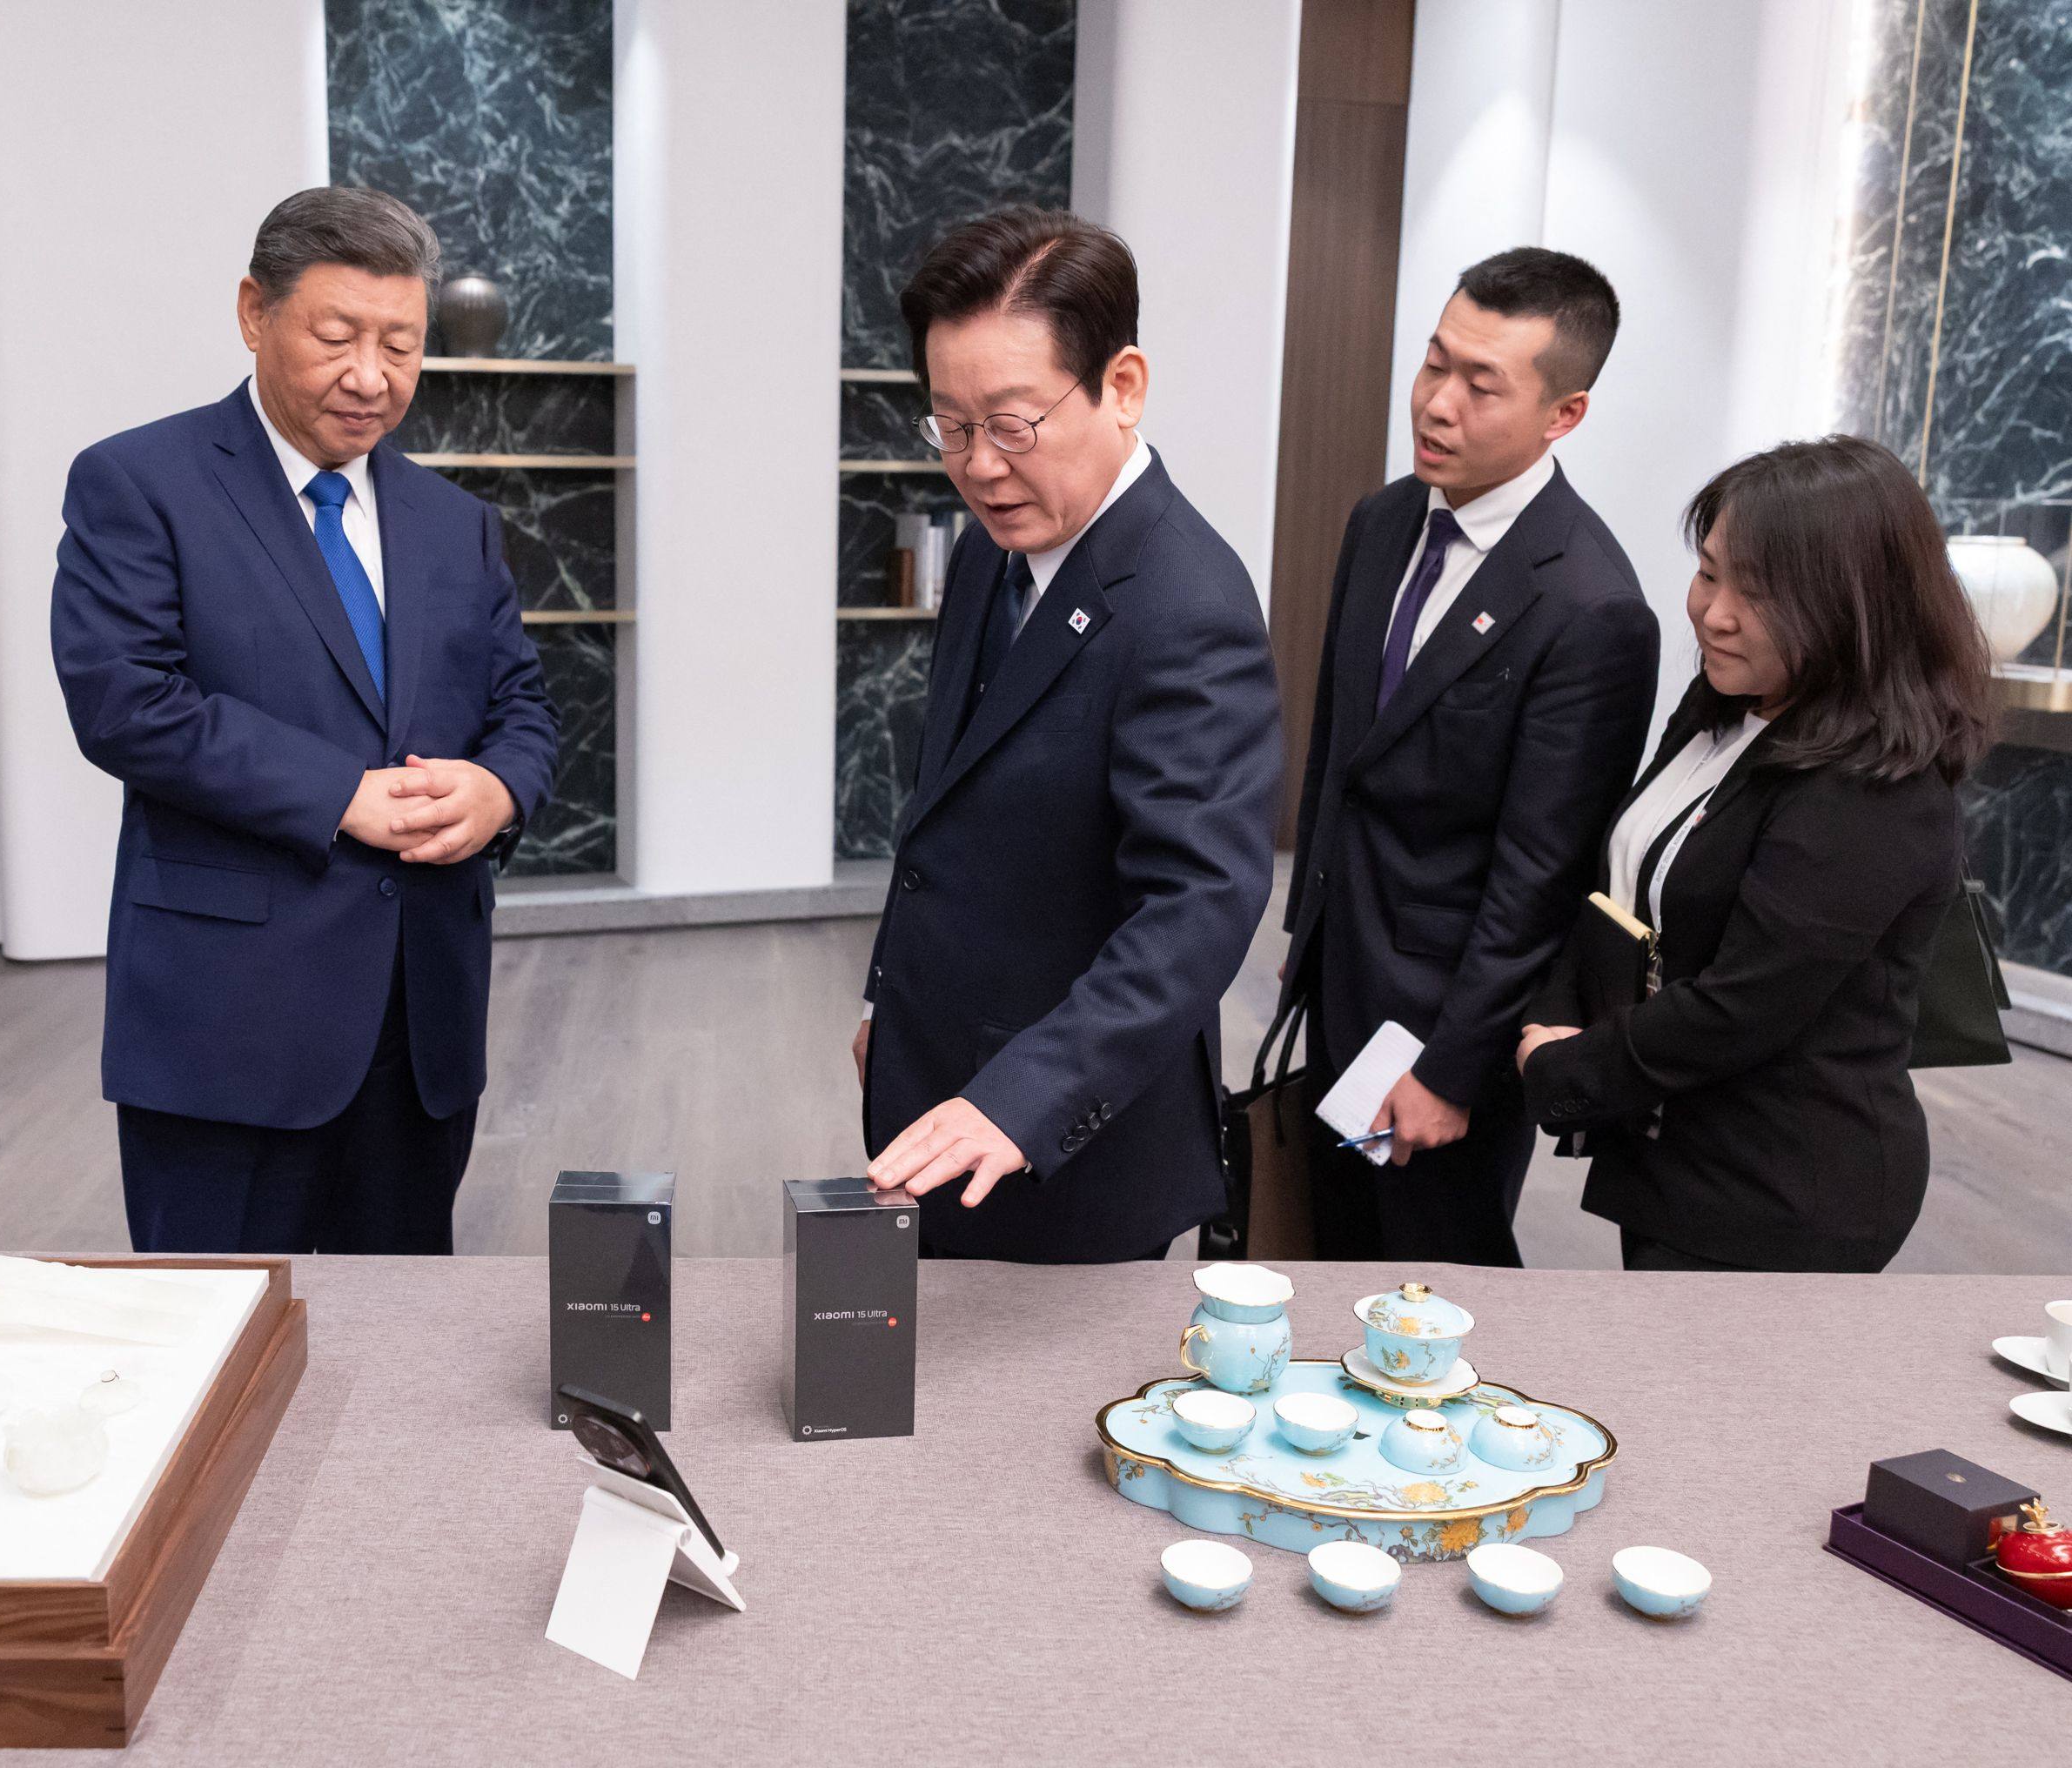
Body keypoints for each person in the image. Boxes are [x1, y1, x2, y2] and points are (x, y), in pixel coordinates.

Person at [51, 186, 558, 1255]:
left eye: (402, 347)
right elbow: (126, 703)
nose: (370, 378)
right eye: (337, 336)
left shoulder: (455, 525)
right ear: (253, 312)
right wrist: (344, 797)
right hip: (230, 1021)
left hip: (421, 1019)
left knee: (407, 1332)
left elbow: (523, 703)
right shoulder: (139, 483)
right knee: (223, 1331)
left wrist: (499, 788)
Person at [855, 207, 1282, 1262]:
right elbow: (945, 805)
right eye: (949, 425)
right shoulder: (996, 549)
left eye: (1010, 424)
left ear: (1122, 387)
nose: (979, 466)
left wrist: (1020, 1099)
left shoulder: (1187, 604)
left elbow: (1197, 907)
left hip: (1065, 1140)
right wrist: (888, 995)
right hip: (942, 1078)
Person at [1517, 435, 1994, 1273]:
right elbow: (1625, 882)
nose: (1714, 611)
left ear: (1856, 608)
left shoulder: (1874, 786)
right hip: (1681, 1150)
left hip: (1786, 1185)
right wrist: (1554, 1014)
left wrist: (1567, 1067)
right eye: (1708, 572)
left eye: (1761, 593)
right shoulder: (1730, 705)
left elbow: (1746, 1004)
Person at [1278, 247, 1658, 1266]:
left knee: (1428, 1289)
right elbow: (1342, 754)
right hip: (1342, 966)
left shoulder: (1592, 606)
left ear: (1563, 414)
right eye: (1433, 362)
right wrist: (1304, 929)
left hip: (1450, 1024)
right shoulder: (1384, 518)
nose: (1436, 404)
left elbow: (1542, 876)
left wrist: (1452, 1067)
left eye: (1480, 384)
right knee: (1330, 1257)